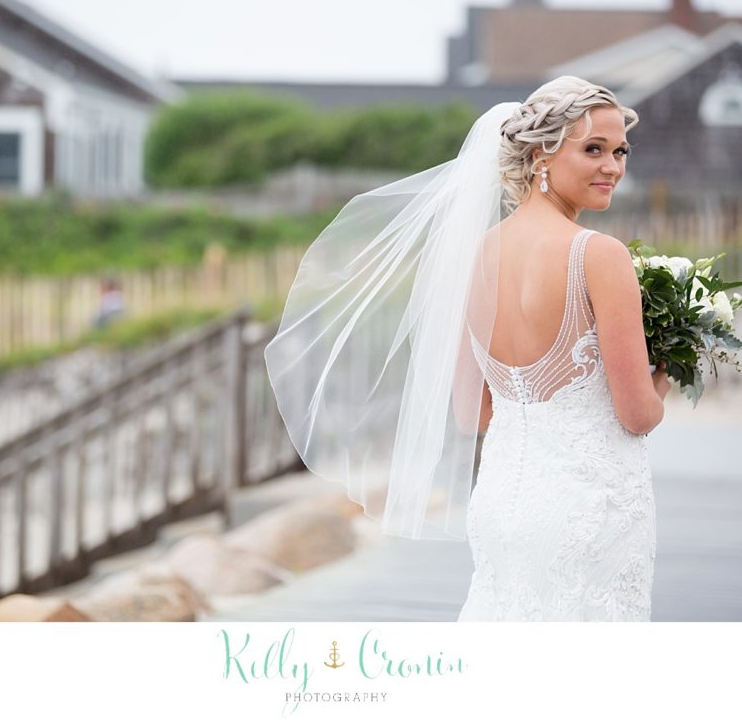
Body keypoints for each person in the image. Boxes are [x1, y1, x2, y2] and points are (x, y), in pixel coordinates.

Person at [264, 76, 671, 621]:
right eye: (593, 149)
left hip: (503, 506)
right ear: (538, 155)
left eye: (619, 150)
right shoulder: (600, 256)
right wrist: (664, 375)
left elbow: (472, 412)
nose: (613, 167)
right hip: (589, 511)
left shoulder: (478, 255)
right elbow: (638, 415)